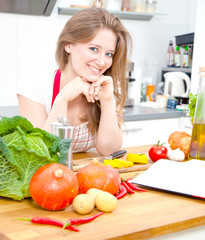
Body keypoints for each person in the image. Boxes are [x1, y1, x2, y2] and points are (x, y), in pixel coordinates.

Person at [17, 7, 132, 156]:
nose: (102, 62)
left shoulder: (105, 88)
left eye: (109, 54)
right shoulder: (34, 86)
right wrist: (62, 99)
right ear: (69, 44)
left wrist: (107, 101)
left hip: (88, 174)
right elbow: (40, 153)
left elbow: (108, 150)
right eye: (94, 49)